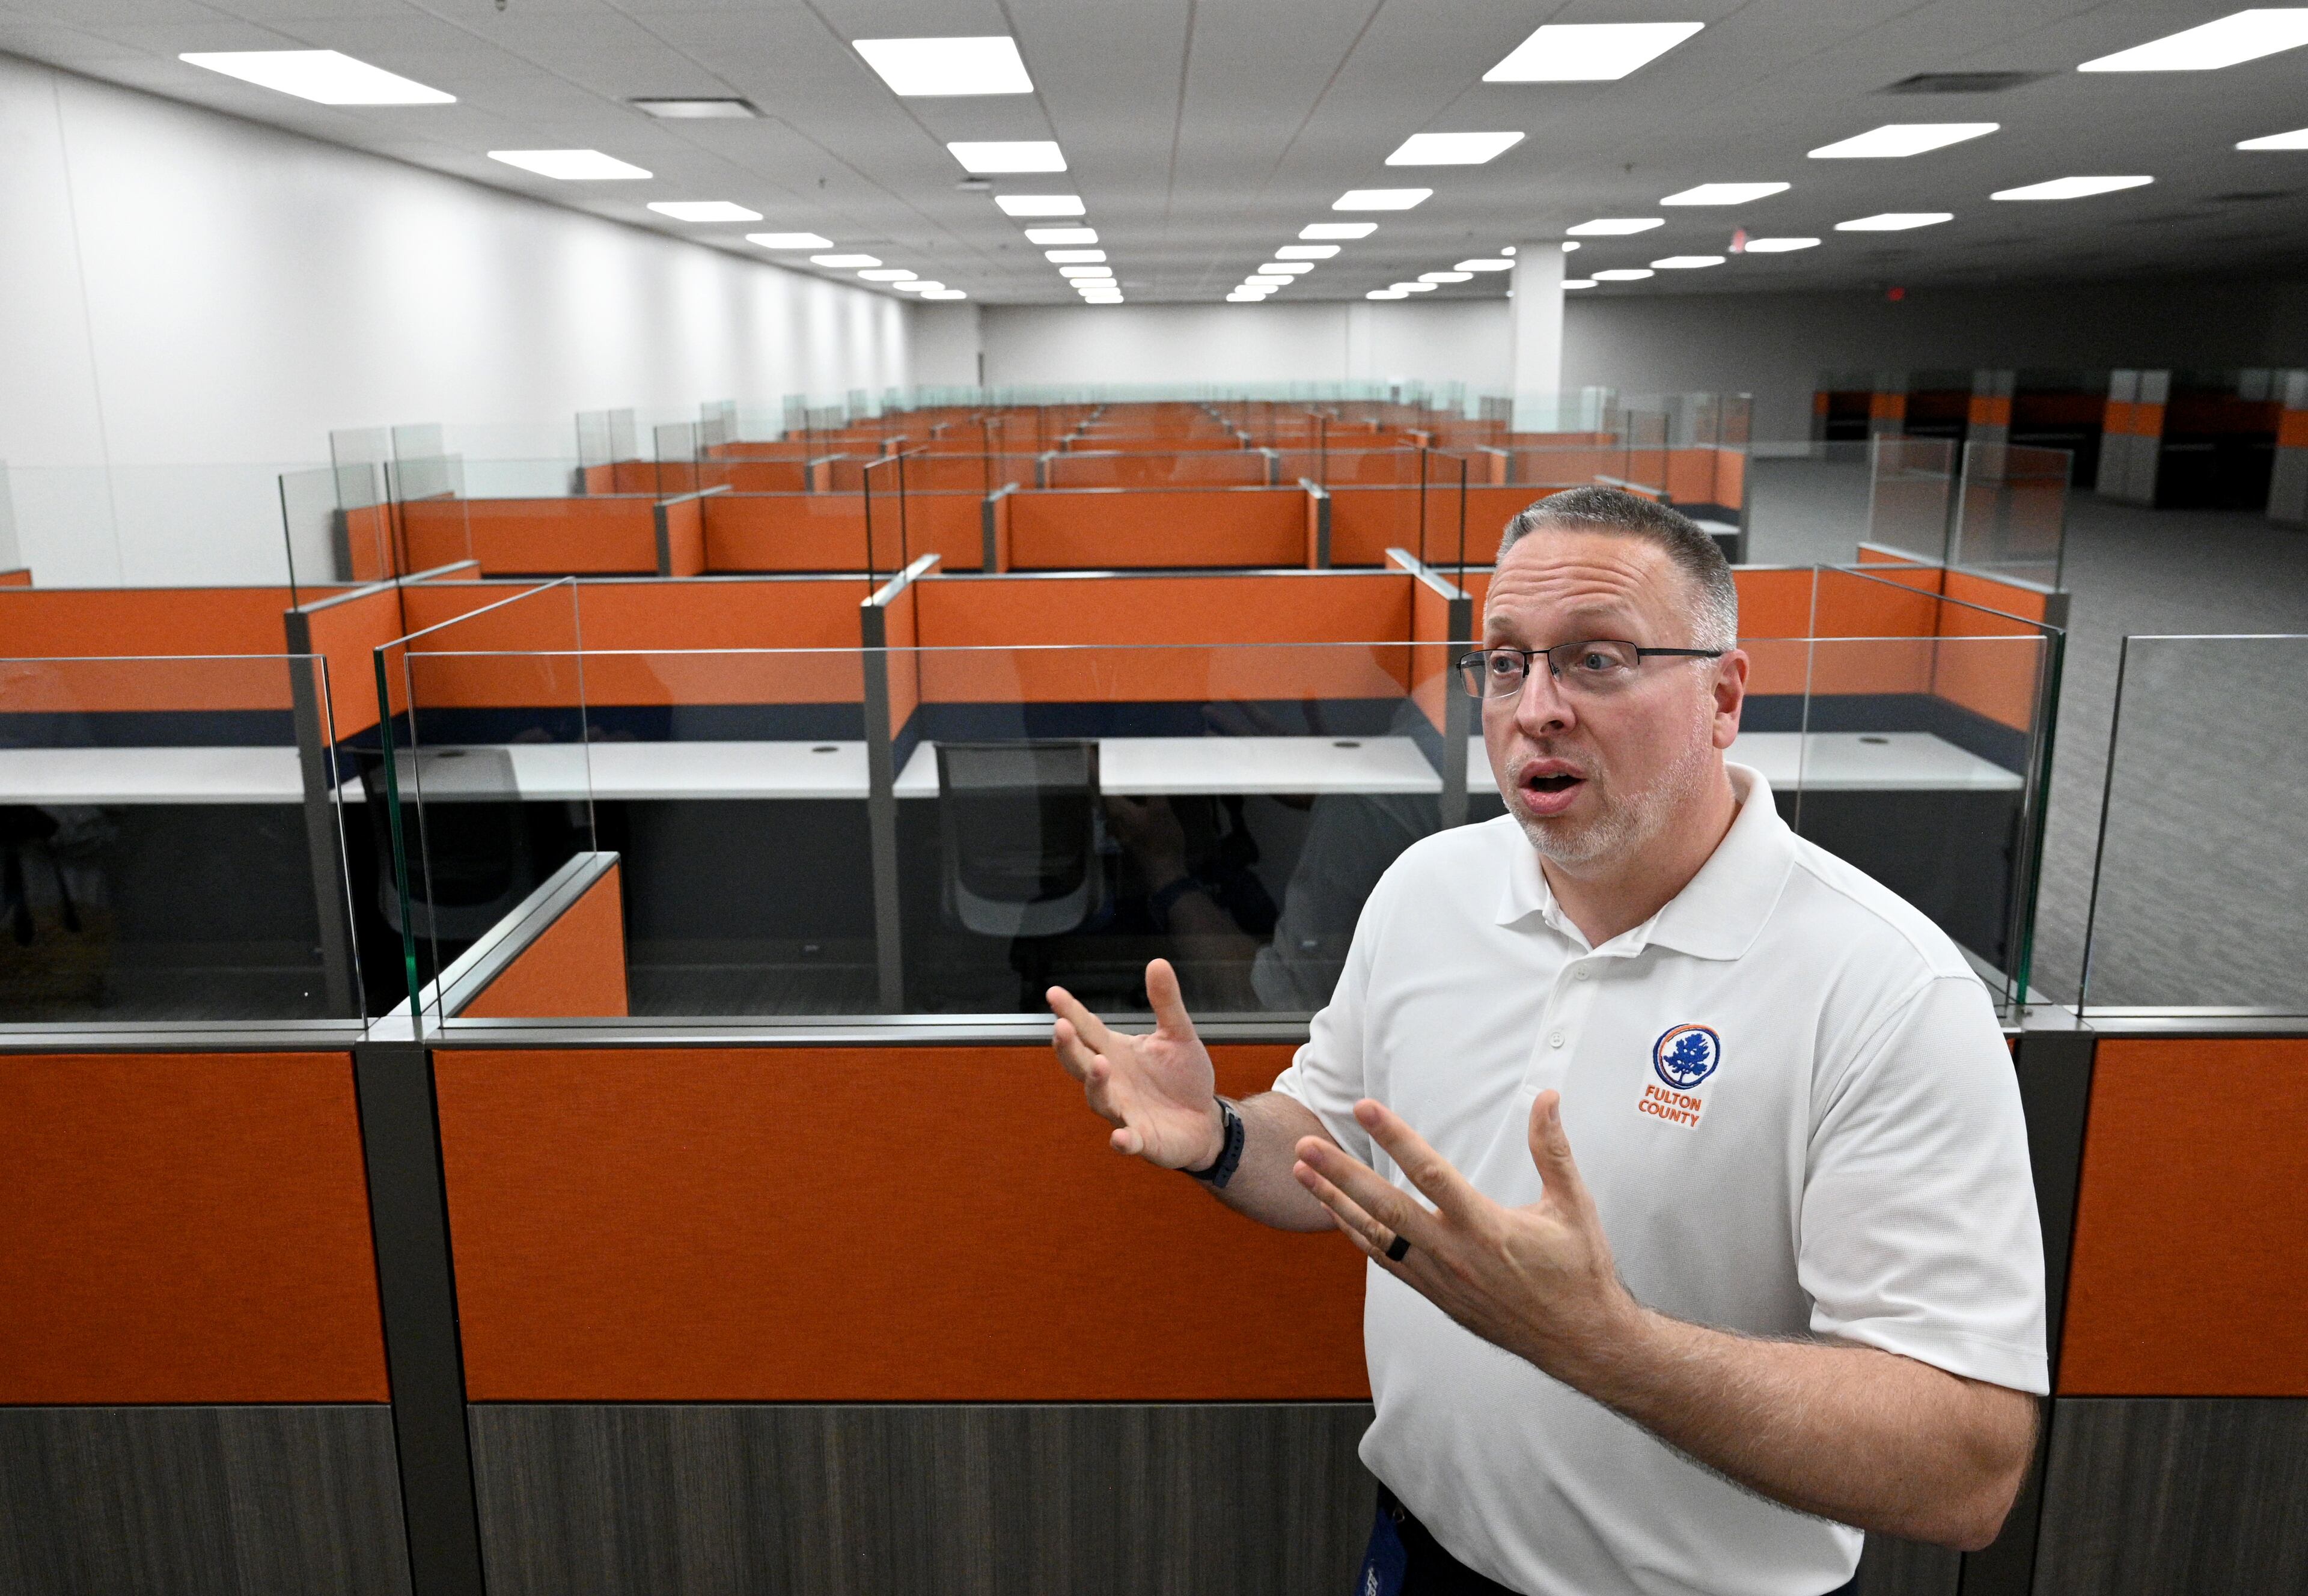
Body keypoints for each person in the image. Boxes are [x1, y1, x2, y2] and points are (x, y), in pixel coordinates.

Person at [1047, 486, 2045, 1596]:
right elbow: (1332, 1138)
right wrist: (1225, 1135)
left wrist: (1602, 1343)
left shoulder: (1886, 990)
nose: (1537, 708)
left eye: (1598, 660)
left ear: (1724, 697)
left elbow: (1970, 1468)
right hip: (1423, 1554)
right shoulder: (1431, 887)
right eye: (1506, 662)